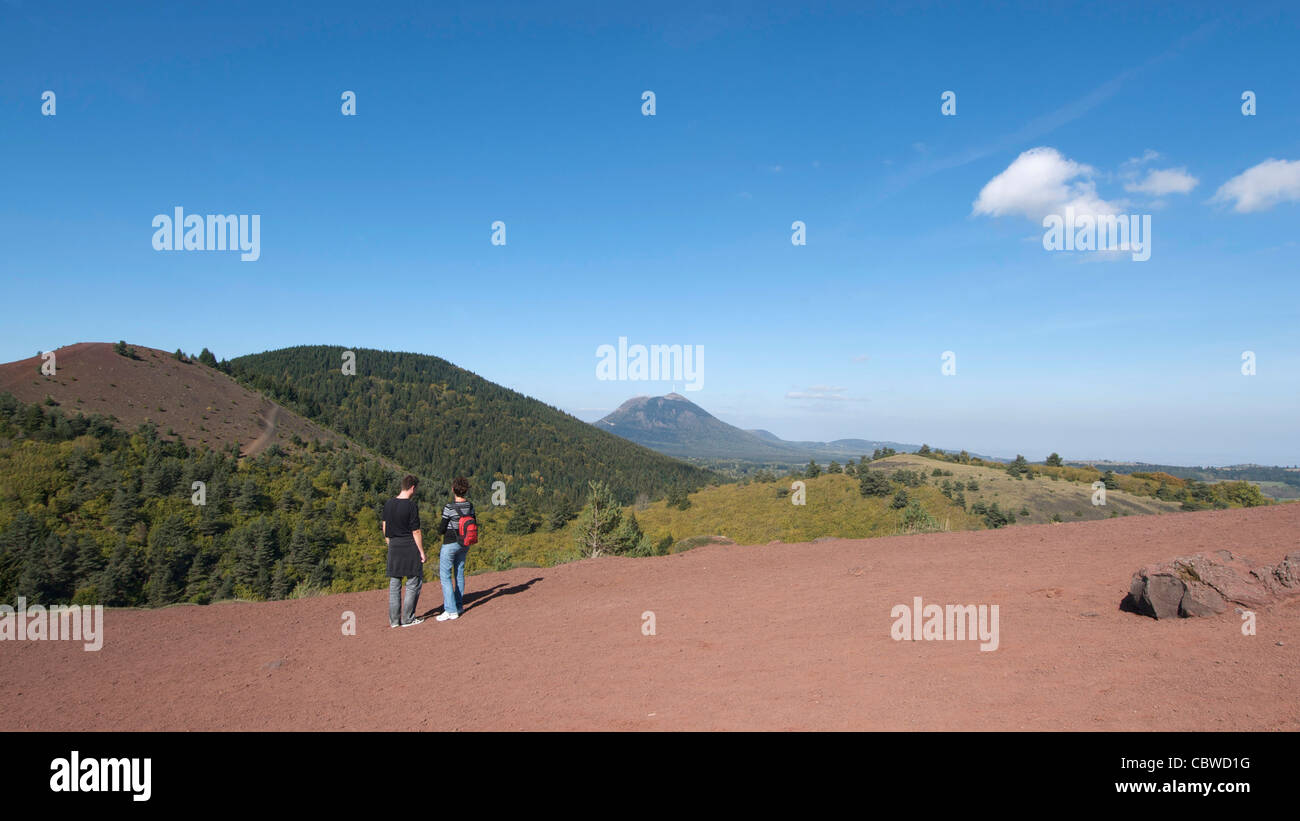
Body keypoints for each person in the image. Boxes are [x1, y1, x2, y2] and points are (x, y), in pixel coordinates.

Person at [382, 475, 426, 627]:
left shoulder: (388, 504)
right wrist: (421, 551)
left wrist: (391, 543)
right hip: (409, 547)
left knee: (395, 584)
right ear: (413, 487)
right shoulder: (411, 506)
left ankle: (394, 621)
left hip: (394, 546)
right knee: (413, 582)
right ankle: (408, 618)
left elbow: (385, 527)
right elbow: (416, 531)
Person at [436, 476, 475, 621]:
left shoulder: (449, 507)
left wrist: (439, 532)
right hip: (465, 543)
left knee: (445, 576)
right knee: (459, 573)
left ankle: (450, 610)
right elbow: (474, 522)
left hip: (450, 543)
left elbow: (442, 528)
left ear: (453, 490)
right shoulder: (470, 506)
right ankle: (459, 605)